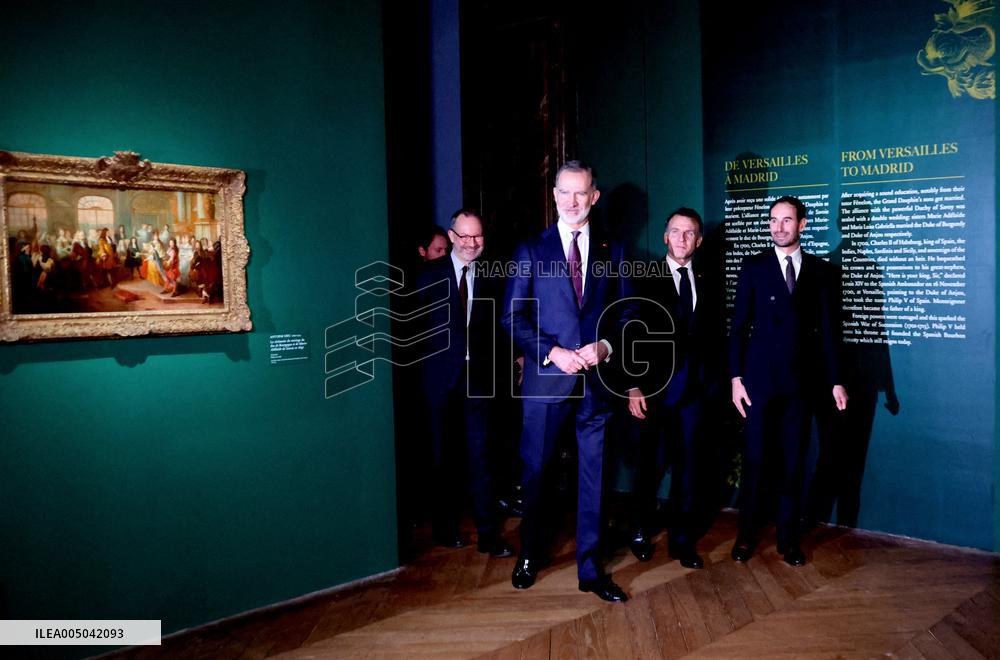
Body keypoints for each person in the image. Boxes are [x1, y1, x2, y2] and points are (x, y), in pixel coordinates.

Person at [503, 161, 635, 602]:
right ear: (554, 195)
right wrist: (552, 351)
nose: (573, 201)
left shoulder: (614, 249)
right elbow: (512, 317)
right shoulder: (530, 249)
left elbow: (627, 315)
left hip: (596, 384)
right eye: (565, 193)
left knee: (594, 477)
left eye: (581, 193)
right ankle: (529, 554)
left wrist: (606, 348)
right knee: (537, 472)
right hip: (546, 382)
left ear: (594, 196)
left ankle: (592, 569)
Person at [729, 195, 848, 566]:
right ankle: (746, 536)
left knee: (794, 463)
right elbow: (737, 328)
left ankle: (788, 538)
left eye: (786, 220)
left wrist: (836, 381)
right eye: (774, 220)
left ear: (803, 224)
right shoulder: (753, 267)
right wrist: (735, 378)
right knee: (756, 460)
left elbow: (831, 332)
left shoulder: (823, 272)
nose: (778, 227)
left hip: (801, 385)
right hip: (758, 384)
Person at [623, 208, 725, 569]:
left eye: (689, 233)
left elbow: (715, 336)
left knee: (689, 466)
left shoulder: (709, 278)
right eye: (675, 232)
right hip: (653, 390)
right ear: (664, 237)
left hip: (696, 392)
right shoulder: (644, 275)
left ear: (698, 240)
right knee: (648, 465)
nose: (682, 239)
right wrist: (632, 385)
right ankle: (638, 528)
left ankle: (682, 540)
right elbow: (629, 332)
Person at [413, 209, 512, 556]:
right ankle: (445, 528)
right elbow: (411, 331)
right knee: (443, 458)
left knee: (482, 456)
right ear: (452, 236)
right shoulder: (427, 276)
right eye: (465, 236)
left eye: (478, 236)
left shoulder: (493, 277)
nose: (472, 243)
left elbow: (502, 327)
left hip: (479, 381)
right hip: (439, 381)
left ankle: (489, 535)